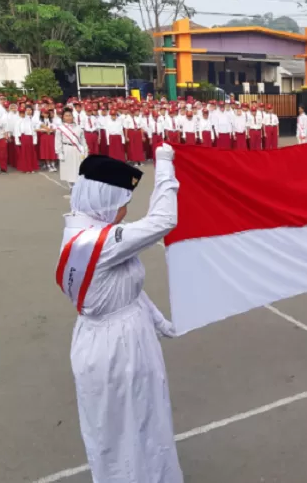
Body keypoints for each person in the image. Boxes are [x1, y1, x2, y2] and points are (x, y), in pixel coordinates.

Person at [57, 148, 182, 483]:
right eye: (123, 201)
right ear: (104, 199)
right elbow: (164, 221)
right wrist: (166, 168)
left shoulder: (92, 232)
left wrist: (158, 321)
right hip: (114, 349)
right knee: (121, 431)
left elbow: (128, 291)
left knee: (145, 419)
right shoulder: (96, 242)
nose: (126, 210)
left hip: (127, 334)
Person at [55, 108, 88, 187]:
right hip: (66, 149)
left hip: (77, 149)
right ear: (63, 117)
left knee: (78, 168)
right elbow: (58, 141)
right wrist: (59, 153)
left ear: (73, 117)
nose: (68, 117)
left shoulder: (79, 128)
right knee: (68, 168)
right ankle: (71, 186)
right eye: (66, 116)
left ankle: (78, 185)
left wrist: (85, 150)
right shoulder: (60, 128)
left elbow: (83, 140)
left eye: (70, 115)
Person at [14, 106, 39, 173]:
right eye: (21, 113)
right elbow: (16, 131)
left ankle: (31, 167)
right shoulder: (18, 121)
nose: (22, 114)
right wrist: (17, 141)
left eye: (23, 112)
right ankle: (26, 168)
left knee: (31, 153)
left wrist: (35, 139)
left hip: (30, 137)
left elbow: (33, 130)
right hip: (23, 137)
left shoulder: (30, 120)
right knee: (25, 154)